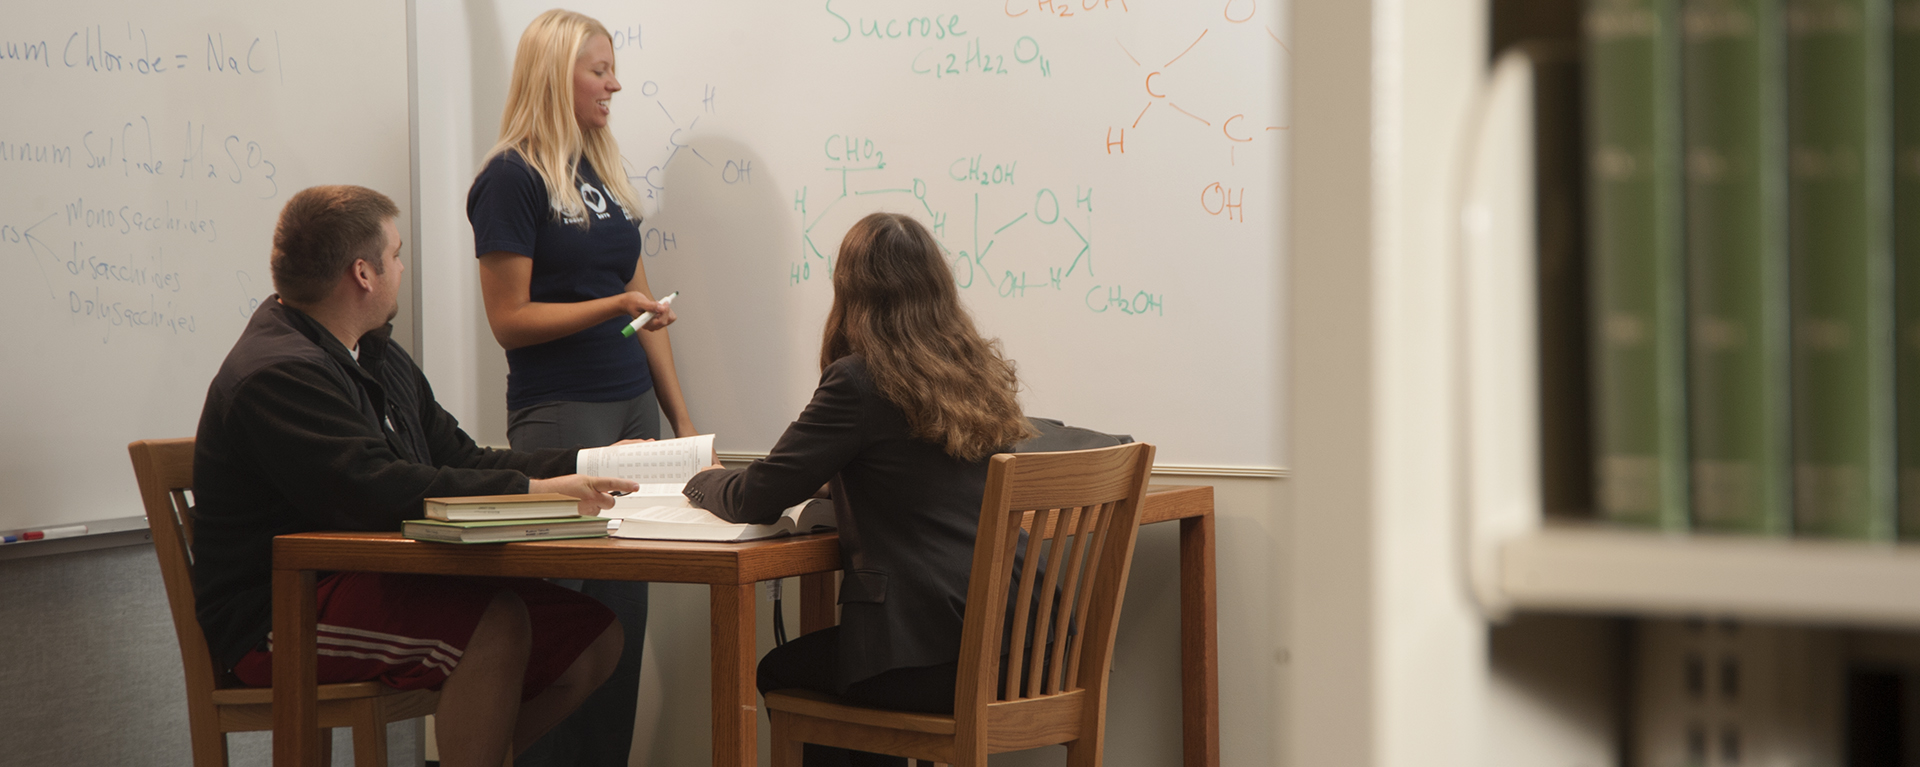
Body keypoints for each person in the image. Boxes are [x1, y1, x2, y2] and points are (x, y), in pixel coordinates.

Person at [191, 184, 639, 767]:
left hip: (363, 582)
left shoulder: (374, 353)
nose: (403, 268)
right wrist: (533, 492)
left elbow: (461, 457)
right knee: (496, 624)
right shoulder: (277, 374)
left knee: (591, 641)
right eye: (397, 255)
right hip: (279, 619)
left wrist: (596, 463)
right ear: (363, 273)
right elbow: (378, 491)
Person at [681, 212, 1038, 767]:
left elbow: (756, 497)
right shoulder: (977, 374)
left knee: (784, 672)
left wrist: (701, 479)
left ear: (849, 292)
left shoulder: (860, 380)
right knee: (845, 662)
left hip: (937, 655)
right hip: (1026, 649)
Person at [465, 9, 693, 765]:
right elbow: (509, 319)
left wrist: (687, 435)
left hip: (632, 406)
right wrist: (613, 306)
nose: (614, 83)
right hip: (562, 416)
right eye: (599, 70)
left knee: (620, 629)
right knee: (561, 629)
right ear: (555, 74)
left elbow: (646, 310)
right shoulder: (509, 178)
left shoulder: (600, 168)